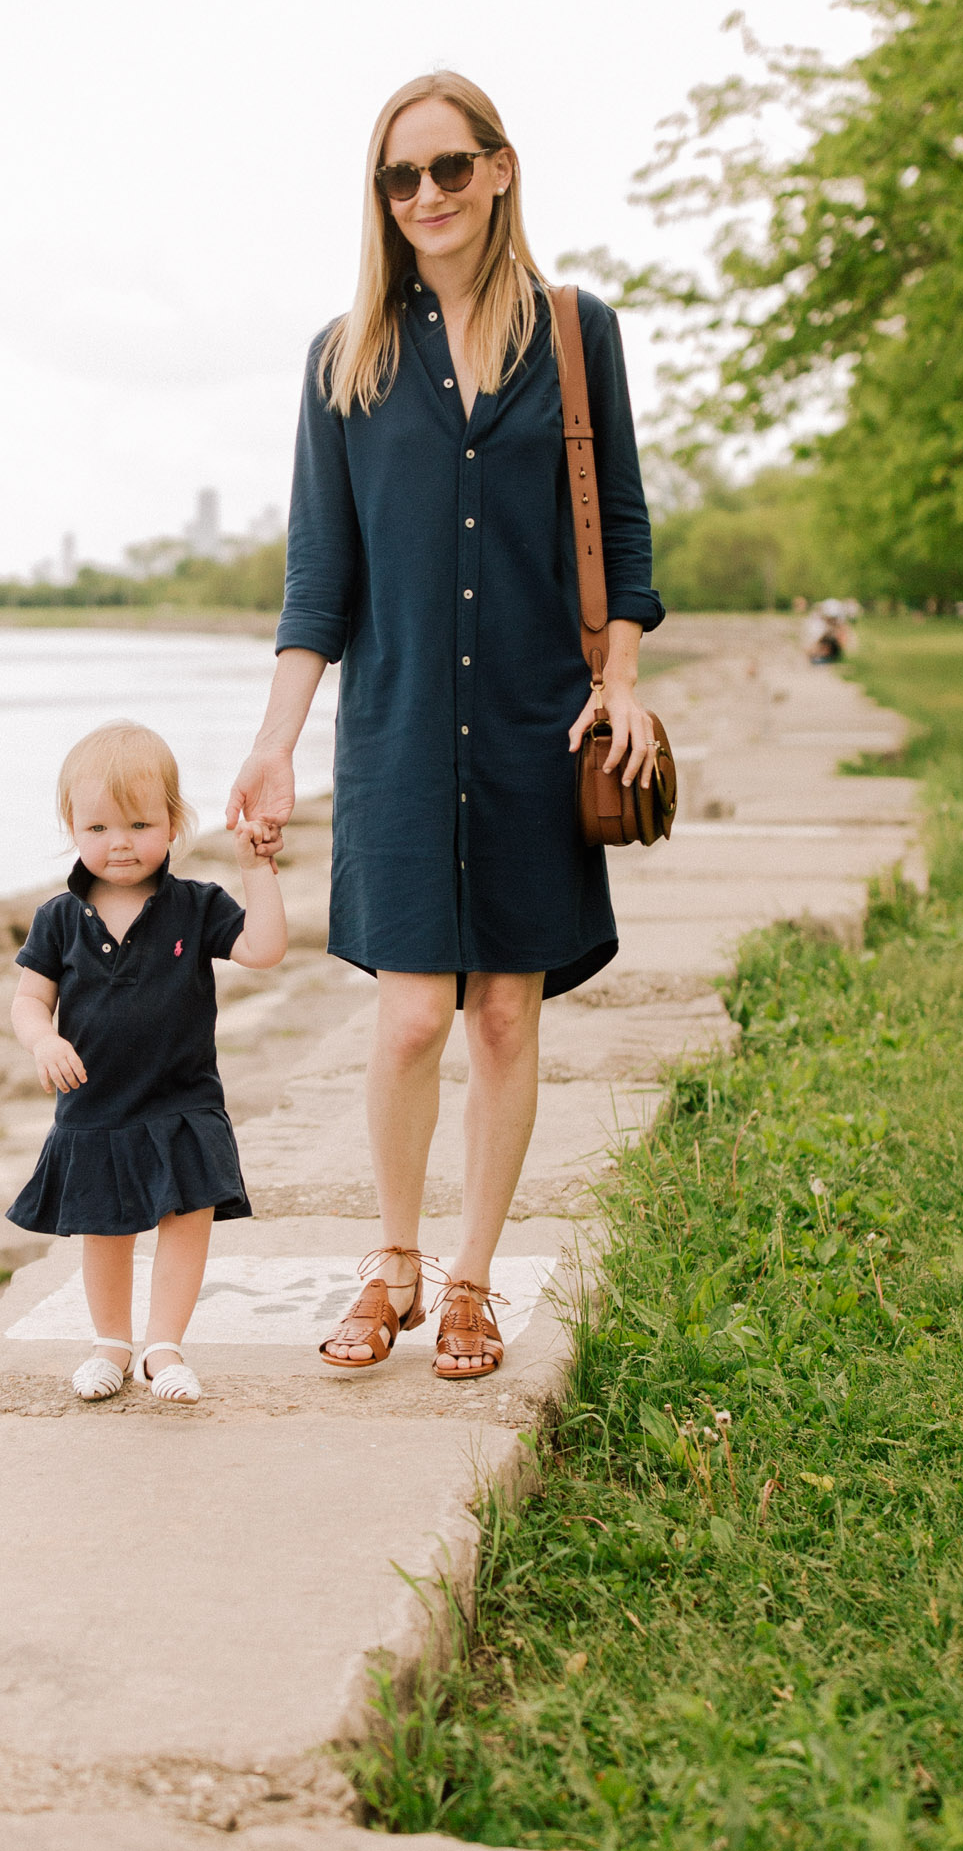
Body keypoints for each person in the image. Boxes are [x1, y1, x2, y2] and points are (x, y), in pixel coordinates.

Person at [226, 72, 663, 1382]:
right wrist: (274, 742)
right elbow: (322, 579)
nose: (426, 197)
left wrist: (622, 676)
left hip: (537, 726)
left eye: (449, 170)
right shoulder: (345, 359)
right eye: (399, 179)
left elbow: (624, 530)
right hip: (403, 732)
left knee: (508, 1021)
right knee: (413, 1016)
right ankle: (396, 1261)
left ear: (502, 169)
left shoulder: (579, 335)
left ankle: (473, 1277)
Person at [6, 719, 286, 1403]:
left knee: (185, 1222)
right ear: (72, 825)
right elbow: (27, 1000)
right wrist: (44, 1041)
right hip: (96, 1105)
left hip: (182, 1100)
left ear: (172, 824)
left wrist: (258, 870)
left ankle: (163, 1347)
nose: (120, 842)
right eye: (98, 828)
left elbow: (265, 950)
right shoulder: (59, 919)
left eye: (138, 823)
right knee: (105, 1229)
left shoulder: (196, 906)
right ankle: (110, 1342)